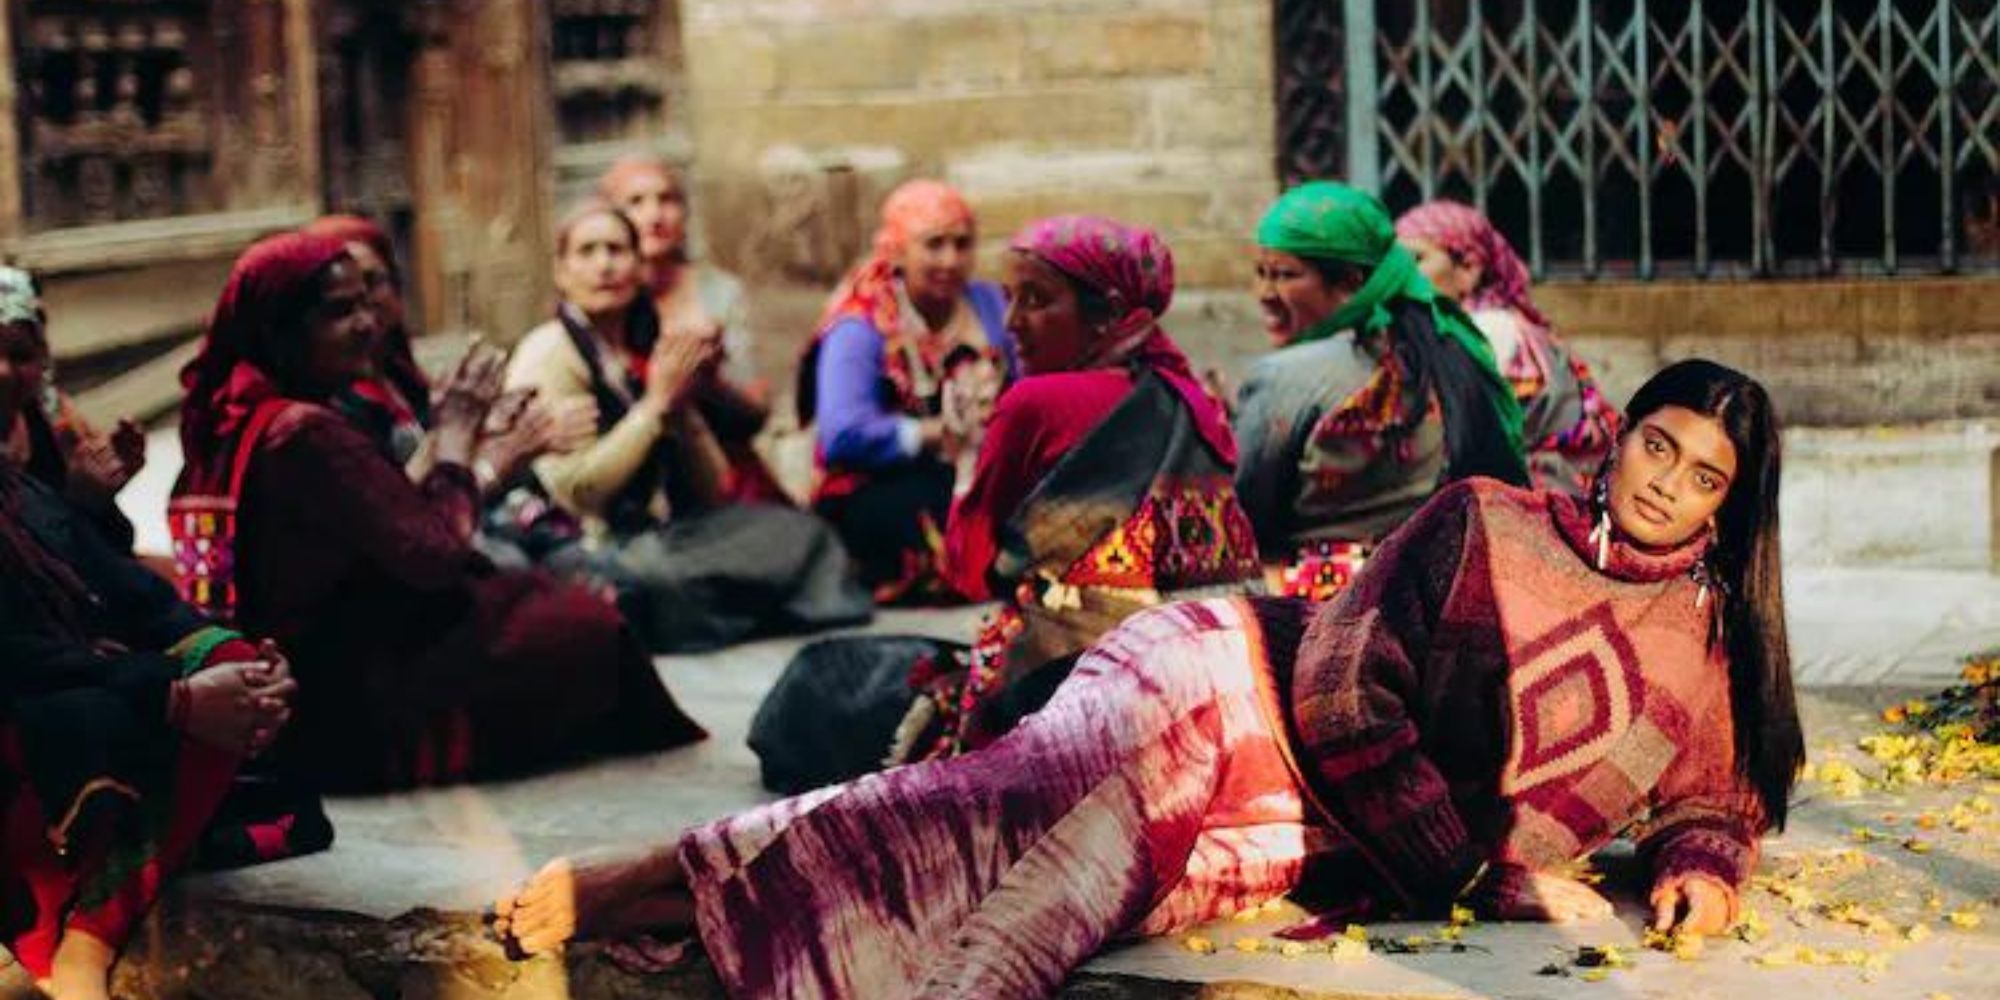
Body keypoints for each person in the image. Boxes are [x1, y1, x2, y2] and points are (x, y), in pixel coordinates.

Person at [495, 359, 1801, 1000]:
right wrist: (1481, 877)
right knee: (1015, 796)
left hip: (1294, 839)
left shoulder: (1703, 647)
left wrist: (1699, 865)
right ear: (1620, 437)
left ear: (1730, 509)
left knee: (1048, 895)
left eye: (1704, 477)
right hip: (1227, 682)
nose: (1666, 484)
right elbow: (1344, 695)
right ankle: (673, 869)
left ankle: (720, 901)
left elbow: (1713, 795)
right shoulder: (1486, 519)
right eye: (1658, 445)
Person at [174, 232, 703, 792]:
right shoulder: (303, 431)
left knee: (540, 591)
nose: (367, 324)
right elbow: (433, 555)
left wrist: (477, 440)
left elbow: (387, 511)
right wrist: (458, 438)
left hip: (326, 660)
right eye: (339, 312)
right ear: (280, 329)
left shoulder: (245, 413)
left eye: (367, 301)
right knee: (587, 625)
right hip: (347, 697)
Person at [750, 217, 1262, 791]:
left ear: (1107, 313)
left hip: (1068, 694)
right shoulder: (1191, 396)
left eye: (1037, 301)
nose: (1012, 322)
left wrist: (968, 456)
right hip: (1205, 682)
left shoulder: (1034, 403)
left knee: (821, 686)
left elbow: (967, 572)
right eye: (1010, 298)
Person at [1, 281, 297, 999]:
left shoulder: (17, 484)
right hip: (25, 706)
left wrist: (239, 663)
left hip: (76, 671)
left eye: (19, 352)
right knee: (94, 716)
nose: (4, 372)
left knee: (225, 668)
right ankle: (58, 944)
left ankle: (89, 934)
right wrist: (171, 696)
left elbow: (118, 586)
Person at [499, 203, 871, 654]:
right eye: (587, 251)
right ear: (561, 272)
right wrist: (654, 406)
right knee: (652, 578)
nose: (604, 265)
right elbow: (580, 493)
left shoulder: (646, 342)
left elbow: (714, 492)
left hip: (666, 534)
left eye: (617, 250)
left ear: (639, 266)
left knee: (802, 534)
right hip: (585, 542)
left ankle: (700, 610)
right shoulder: (550, 354)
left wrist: (685, 402)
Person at [1235, 181, 1528, 601]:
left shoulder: (1286, 377)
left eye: (1285, 275)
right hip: (1438, 595)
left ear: (1350, 281)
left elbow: (1248, 514)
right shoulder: (1451, 351)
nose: (1265, 294)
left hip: (1320, 605)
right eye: (1261, 273)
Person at [797, 179, 1016, 603]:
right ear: (896, 250)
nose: (950, 260)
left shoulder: (990, 305)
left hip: (981, 466)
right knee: (931, 515)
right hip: (883, 480)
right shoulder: (860, 323)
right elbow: (842, 432)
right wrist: (937, 434)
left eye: (962, 244)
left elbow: (1028, 383)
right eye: (934, 244)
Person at [299, 215, 599, 507]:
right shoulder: (326, 411)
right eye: (341, 301)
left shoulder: (402, 378)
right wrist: (496, 455)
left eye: (371, 282)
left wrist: (488, 430)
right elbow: (402, 516)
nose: (364, 310)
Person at [597, 155, 789, 505]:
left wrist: (709, 378)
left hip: (719, 465)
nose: (655, 216)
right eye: (636, 202)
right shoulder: (602, 296)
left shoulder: (719, 293)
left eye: (666, 199)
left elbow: (756, 412)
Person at [1396, 200, 1619, 494]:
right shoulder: (1492, 325)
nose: (1402, 273)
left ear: (1468, 269)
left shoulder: (1489, 329)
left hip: (1544, 497)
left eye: (1416, 259)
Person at [0, 267, 148, 553]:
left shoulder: (52, 423)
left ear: (42, 358)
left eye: (21, 355)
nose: (3, 372)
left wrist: (95, 499)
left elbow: (111, 553)